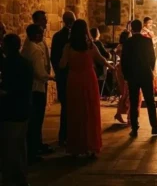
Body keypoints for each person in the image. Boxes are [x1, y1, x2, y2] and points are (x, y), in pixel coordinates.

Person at [59, 19, 110, 157]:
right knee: (90, 112)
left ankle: (77, 147)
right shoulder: (90, 45)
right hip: (89, 80)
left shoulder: (68, 47)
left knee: (75, 112)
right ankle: (91, 146)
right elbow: (101, 59)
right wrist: (111, 67)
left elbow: (62, 64)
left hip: (74, 80)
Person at [121, 20, 157, 138]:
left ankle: (134, 129)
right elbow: (152, 58)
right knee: (150, 102)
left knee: (134, 102)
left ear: (131, 28)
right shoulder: (147, 41)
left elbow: (124, 60)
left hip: (132, 76)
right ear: (141, 28)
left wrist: (126, 75)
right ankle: (154, 127)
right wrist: (150, 70)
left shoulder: (127, 42)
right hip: (145, 74)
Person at [2, 34, 33, 184]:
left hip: (11, 109)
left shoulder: (8, 63)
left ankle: (14, 178)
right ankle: (22, 176)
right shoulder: (26, 63)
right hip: (24, 108)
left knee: (10, 147)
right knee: (20, 145)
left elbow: (8, 88)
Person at [22, 24, 49, 162]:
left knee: (32, 122)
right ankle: (33, 152)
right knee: (36, 121)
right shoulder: (36, 50)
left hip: (29, 88)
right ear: (36, 35)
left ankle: (31, 150)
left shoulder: (26, 48)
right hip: (37, 88)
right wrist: (50, 77)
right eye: (41, 33)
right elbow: (39, 72)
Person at [28, 11, 53, 157]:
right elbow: (38, 69)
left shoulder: (39, 40)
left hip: (42, 82)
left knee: (39, 116)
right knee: (36, 116)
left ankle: (38, 143)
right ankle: (34, 146)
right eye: (43, 19)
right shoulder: (33, 44)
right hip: (37, 84)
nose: (46, 21)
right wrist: (50, 77)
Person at [50, 11, 74, 147]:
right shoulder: (63, 37)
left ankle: (65, 135)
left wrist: (59, 73)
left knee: (67, 107)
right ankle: (67, 135)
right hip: (68, 75)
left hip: (66, 75)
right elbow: (55, 57)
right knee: (68, 107)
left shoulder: (58, 36)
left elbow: (54, 58)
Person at [141, 17, 157, 94]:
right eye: (149, 23)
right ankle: (150, 90)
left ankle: (154, 89)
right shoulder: (143, 32)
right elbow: (150, 42)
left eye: (151, 23)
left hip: (151, 52)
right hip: (147, 54)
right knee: (150, 71)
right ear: (145, 23)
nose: (151, 24)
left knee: (154, 71)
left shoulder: (149, 31)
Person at [90, 28, 111, 96]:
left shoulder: (89, 43)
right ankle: (106, 93)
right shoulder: (98, 43)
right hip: (98, 68)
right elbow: (107, 55)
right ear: (97, 34)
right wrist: (109, 54)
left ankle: (106, 92)